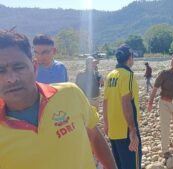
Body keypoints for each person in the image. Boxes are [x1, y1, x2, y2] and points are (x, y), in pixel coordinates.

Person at [0, 30, 117, 169]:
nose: (11, 79)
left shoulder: (70, 94)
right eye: (0, 70)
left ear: (35, 67)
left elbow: (95, 137)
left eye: (19, 67)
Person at [103, 45, 142, 169]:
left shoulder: (110, 75)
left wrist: (106, 124)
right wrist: (133, 130)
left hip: (113, 130)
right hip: (126, 131)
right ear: (129, 58)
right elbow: (126, 102)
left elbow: (105, 102)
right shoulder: (127, 75)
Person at [147, 52, 173, 161]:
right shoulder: (164, 74)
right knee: (165, 128)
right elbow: (155, 88)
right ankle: (165, 150)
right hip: (164, 104)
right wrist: (150, 103)